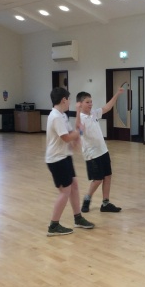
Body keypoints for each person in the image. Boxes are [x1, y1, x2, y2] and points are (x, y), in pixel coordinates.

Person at [45, 87, 95, 236]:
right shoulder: (56, 117)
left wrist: (78, 115)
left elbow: (71, 132)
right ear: (63, 100)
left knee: (74, 185)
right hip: (56, 159)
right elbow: (66, 137)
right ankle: (53, 226)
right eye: (68, 99)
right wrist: (79, 133)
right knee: (65, 191)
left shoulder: (62, 115)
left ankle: (78, 218)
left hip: (64, 156)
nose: (69, 102)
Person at [75, 88, 124, 213]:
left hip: (103, 150)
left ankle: (105, 203)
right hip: (91, 154)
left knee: (107, 176)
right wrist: (77, 111)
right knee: (97, 179)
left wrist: (117, 94)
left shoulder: (94, 114)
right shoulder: (80, 118)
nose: (90, 104)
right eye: (87, 102)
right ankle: (87, 199)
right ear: (80, 104)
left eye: (91, 101)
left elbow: (107, 107)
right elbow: (78, 129)